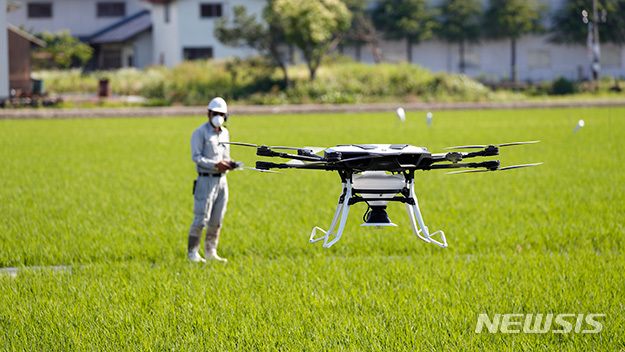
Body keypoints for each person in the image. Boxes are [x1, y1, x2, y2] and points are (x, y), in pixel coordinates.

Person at [187, 97, 233, 263]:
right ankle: (192, 253)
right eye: (215, 113)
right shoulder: (200, 132)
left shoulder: (225, 133)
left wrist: (229, 164)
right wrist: (216, 164)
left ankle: (211, 252)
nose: (218, 117)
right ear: (208, 114)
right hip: (205, 180)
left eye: (221, 114)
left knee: (217, 219)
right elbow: (196, 157)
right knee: (201, 218)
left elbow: (225, 156)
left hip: (222, 181)